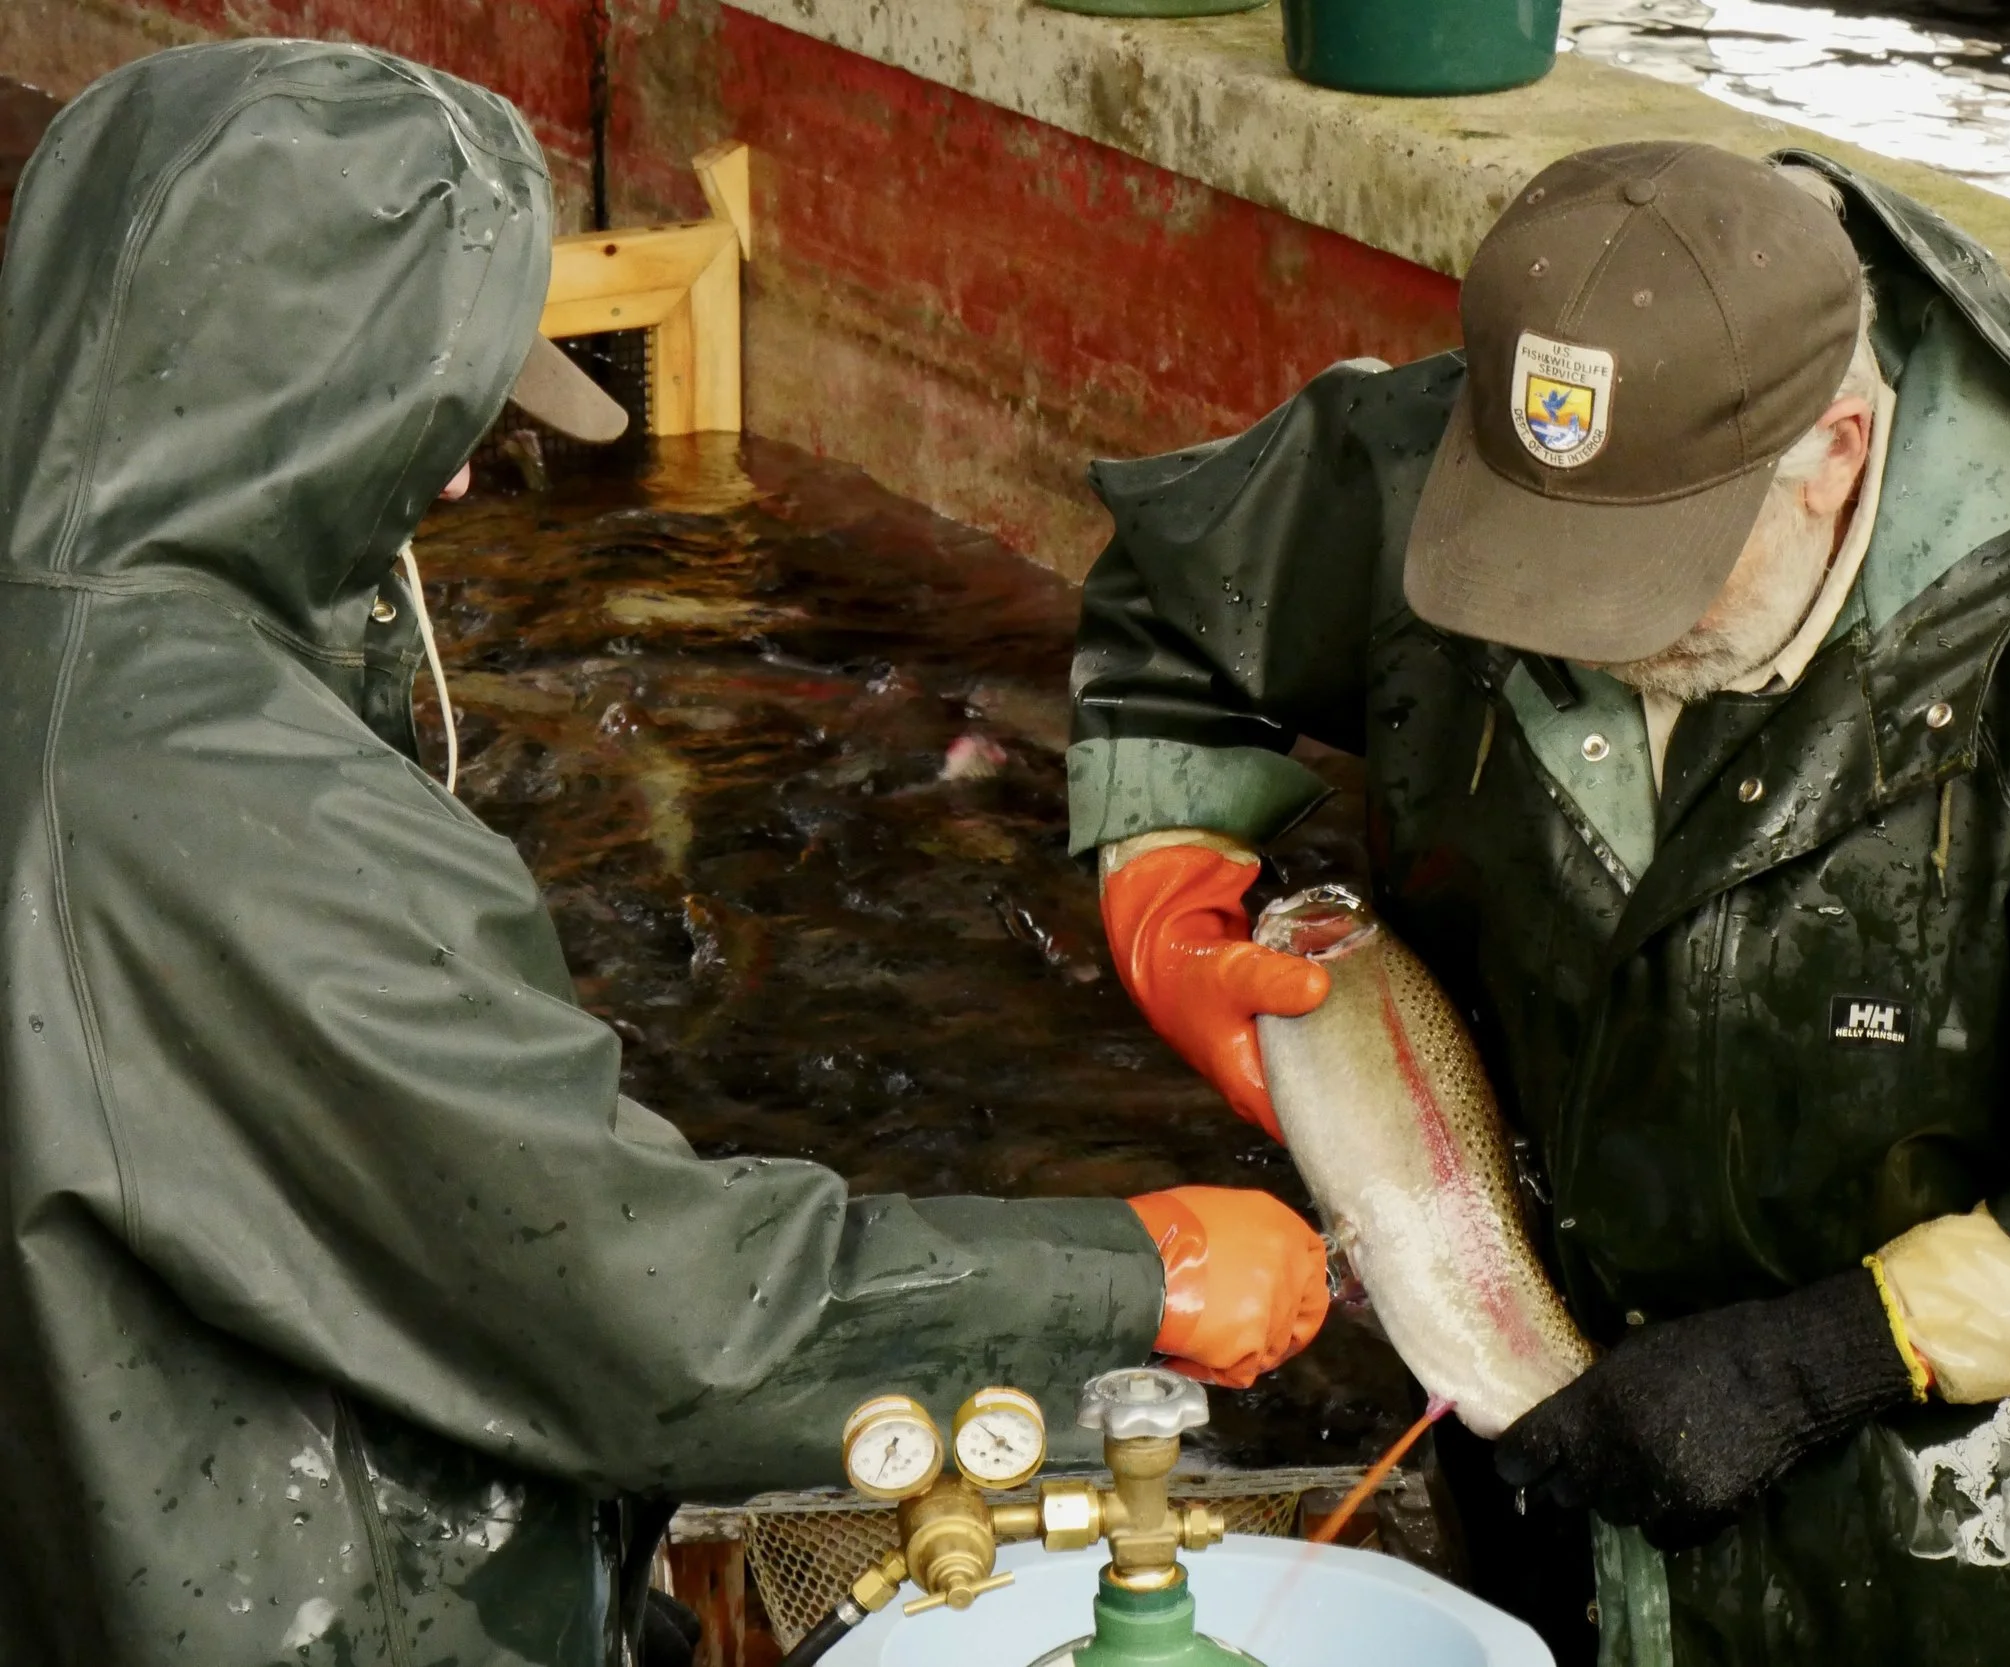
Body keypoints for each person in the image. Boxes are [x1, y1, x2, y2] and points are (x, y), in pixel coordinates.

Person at [0, 40, 1327, 1667]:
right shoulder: (243, 808)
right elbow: (642, 1307)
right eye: (439, 421)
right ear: (308, 408)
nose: (471, 473)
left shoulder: (73, 690)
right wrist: (1140, 1274)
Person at [1073, 140, 2010, 1666]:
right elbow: (1172, 599)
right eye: (1537, 561)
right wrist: (1168, 892)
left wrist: (1826, 1356)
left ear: (1836, 449)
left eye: (1641, 573)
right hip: (1549, 1450)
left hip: (1970, 1546)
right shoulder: (1484, 449)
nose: (1578, 628)